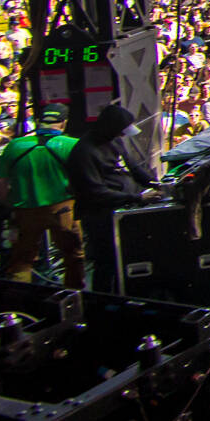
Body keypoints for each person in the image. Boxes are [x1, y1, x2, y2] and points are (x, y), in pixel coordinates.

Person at [67, 103, 162, 293]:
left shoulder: (115, 141)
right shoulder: (84, 151)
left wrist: (157, 185)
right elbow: (95, 192)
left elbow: (133, 168)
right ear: (109, 128)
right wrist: (137, 198)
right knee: (106, 261)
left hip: (123, 209)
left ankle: (125, 293)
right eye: (120, 131)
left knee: (126, 259)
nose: (122, 135)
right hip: (99, 215)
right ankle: (101, 301)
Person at [0, 103, 84, 287]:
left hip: (25, 210)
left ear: (38, 121)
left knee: (21, 262)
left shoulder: (14, 146)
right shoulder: (72, 145)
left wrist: (9, 205)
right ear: (63, 123)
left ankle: (21, 309)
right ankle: (74, 300)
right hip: (63, 209)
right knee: (74, 256)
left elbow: (1, 183)